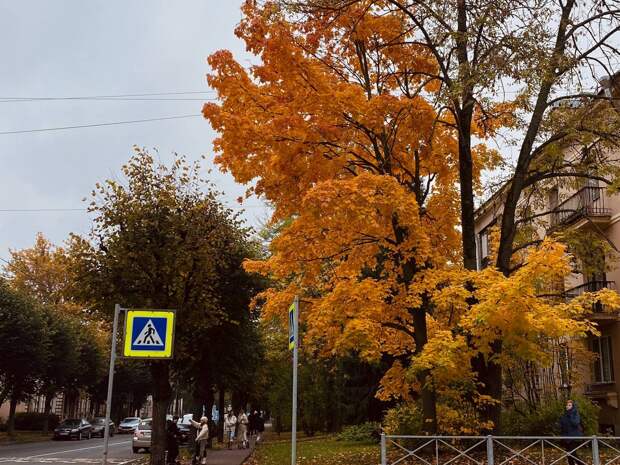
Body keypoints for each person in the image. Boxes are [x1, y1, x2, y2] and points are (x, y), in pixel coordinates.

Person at [559, 399, 586, 465]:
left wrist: (570, 414)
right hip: (567, 438)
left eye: (569, 405)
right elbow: (562, 426)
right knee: (568, 455)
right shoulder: (564, 415)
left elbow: (575, 423)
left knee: (572, 453)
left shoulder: (575, 414)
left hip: (575, 437)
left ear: (573, 406)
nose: (567, 406)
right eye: (567, 405)